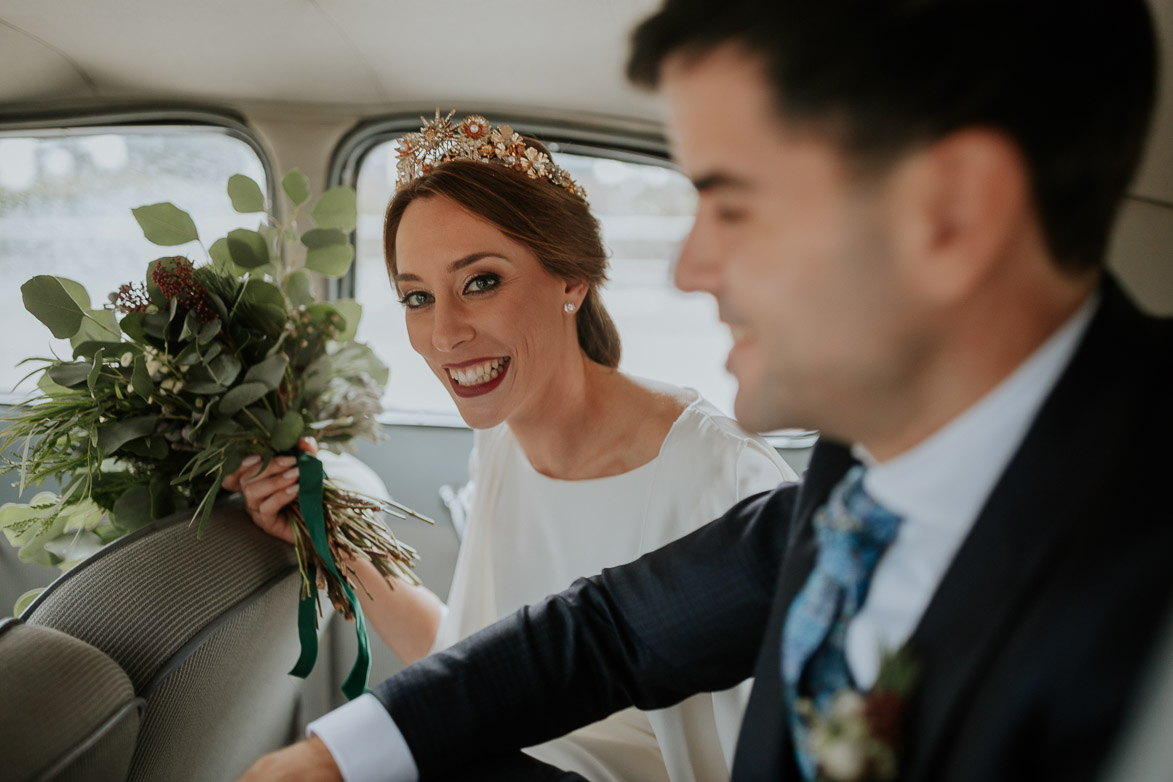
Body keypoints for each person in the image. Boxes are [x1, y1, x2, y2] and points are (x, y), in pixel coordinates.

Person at [239, 0, 1172, 780]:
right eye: (414, 296)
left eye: (732, 204)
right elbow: (604, 634)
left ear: (955, 213)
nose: (691, 269)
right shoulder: (862, 466)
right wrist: (338, 755)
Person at [225, 110, 795, 782]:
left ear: (571, 280)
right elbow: (480, 668)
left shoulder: (721, 479)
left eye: (480, 282)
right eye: (416, 296)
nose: (443, 333)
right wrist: (334, 545)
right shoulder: (500, 443)